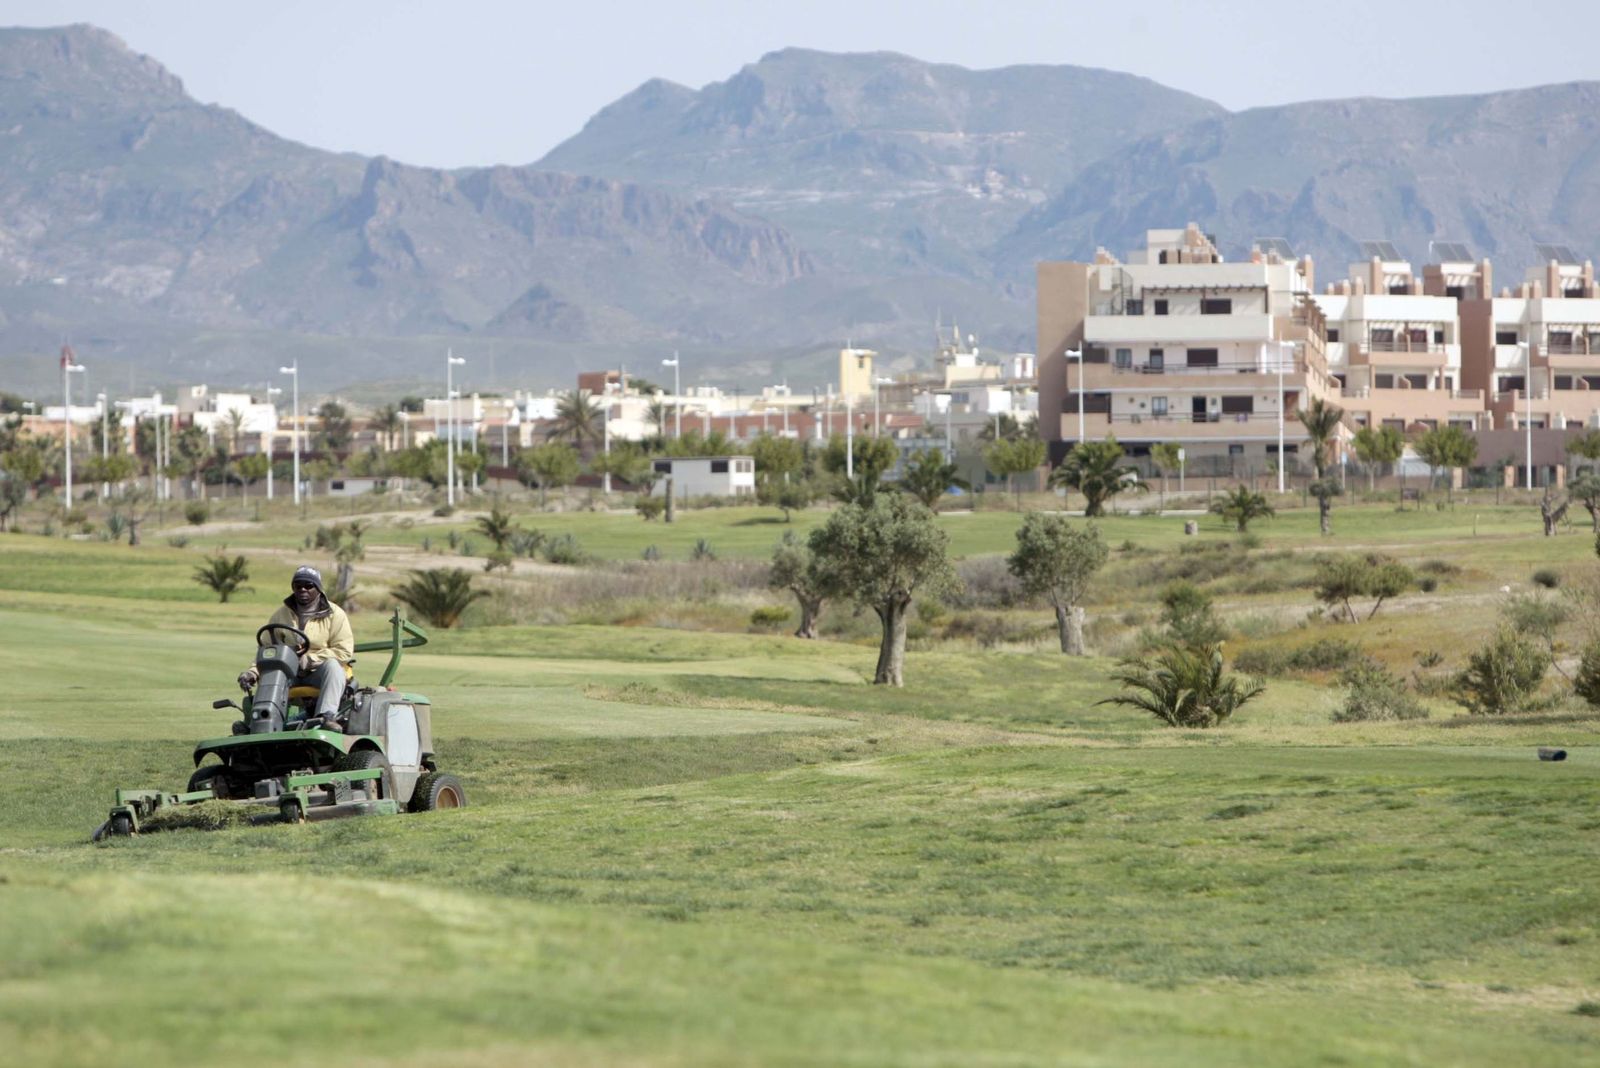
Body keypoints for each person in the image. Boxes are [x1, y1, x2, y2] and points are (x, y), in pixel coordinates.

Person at [237, 565, 355, 727]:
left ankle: (326, 717)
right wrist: (252, 672)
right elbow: (267, 650)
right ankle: (261, 723)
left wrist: (310, 659)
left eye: (309, 586)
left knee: (334, 667)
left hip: (318, 672)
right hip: (288, 672)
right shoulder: (281, 614)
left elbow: (344, 650)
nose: (303, 590)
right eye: (298, 586)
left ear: (319, 589)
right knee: (272, 673)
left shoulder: (335, 614)